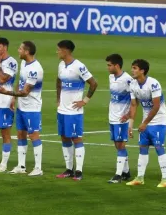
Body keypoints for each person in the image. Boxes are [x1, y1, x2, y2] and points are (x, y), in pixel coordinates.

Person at [0, 41, 44, 176]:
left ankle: (38, 168)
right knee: (21, 134)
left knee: (33, 135)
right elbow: (20, 84)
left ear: (27, 52)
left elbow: (25, 92)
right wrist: (14, 98)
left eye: (21, 49)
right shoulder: (24, 63)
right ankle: (21, 166)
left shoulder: (35, 69)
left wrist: (7, 93)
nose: (18, 50)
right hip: (22, 107)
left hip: (32, 108)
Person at [56, 40, 98, 181]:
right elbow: (59, 81)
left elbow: (93, 83)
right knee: (64, 137)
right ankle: (69, 169)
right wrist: (58, 99)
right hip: (62, 109)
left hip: (74, 111)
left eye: (59, 49)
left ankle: (79, 171)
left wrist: (84, 101)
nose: (57, 52)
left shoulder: (79, 66)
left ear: (66, 50)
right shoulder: (61, 65)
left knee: (76, 138)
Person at [125, 59, 166, 187]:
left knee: (158, 147)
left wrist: (144, 123)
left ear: (142, 70)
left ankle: (165, 179)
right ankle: (140, 177)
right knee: (142, 147)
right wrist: (130, 125)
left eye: (135, 68)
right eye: (132, 67)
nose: (132, 70)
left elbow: (156, 106)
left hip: (159, 120)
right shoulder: (133, 84)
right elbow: (134, 105)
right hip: (146, 121)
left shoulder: (153, 83)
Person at [106, 54, 132, 184]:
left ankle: (118, 175)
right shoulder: (111, 77)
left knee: (121, 145)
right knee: (117, 144)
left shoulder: (127, 80)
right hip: (112, 116)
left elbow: (135, 99)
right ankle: (126, 172)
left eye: (109, 65)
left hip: (122, 118)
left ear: (117, 65)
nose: (107, 67)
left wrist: (128, 115)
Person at [0, 37, 18, 173]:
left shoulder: (11, 62)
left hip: (3, 103)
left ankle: (3, 164)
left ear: (5, 47)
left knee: (5, 134)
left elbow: (2, 79)